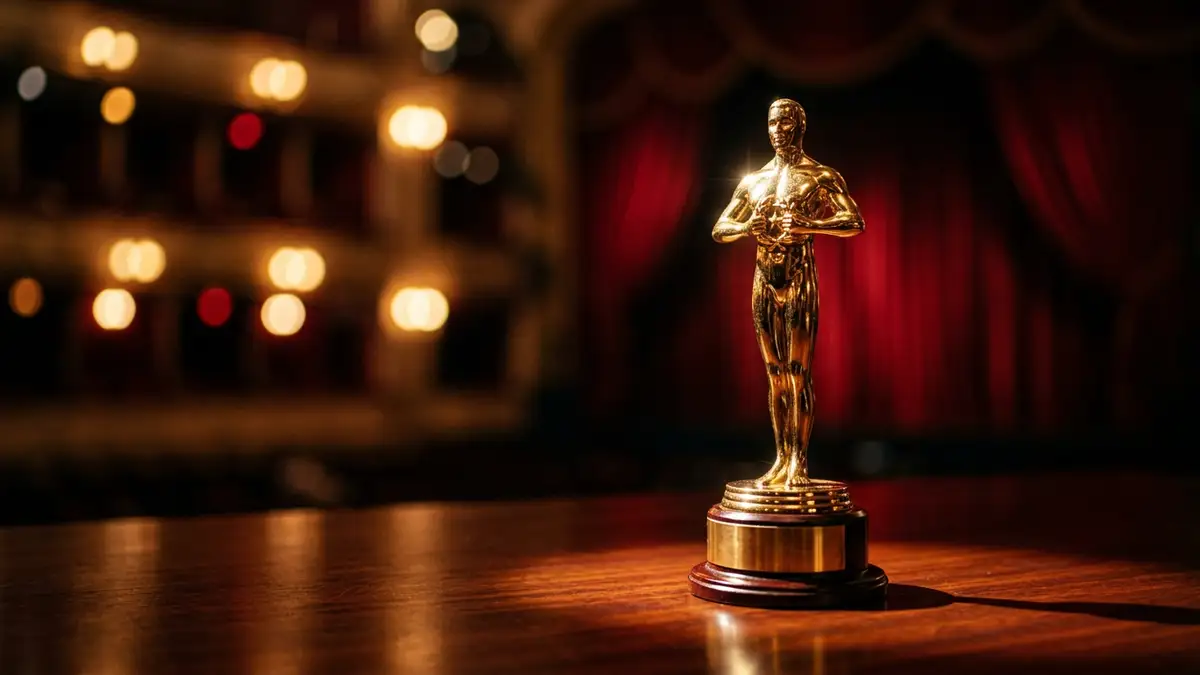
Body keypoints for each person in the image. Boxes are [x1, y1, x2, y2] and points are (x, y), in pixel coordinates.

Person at [712, 98, 864, 488]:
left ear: (800, 126)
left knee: (798, 374)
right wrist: (749, 229)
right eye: (773, 123)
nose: (779, 129)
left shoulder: (820, 176)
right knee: (774, 375)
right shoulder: (753, 181)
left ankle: (799, 461)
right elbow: (721, 228)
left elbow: (853, 221)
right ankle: (780, 459)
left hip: (798, 278)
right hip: (764, 278)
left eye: (786, 122)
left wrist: (808, 223)